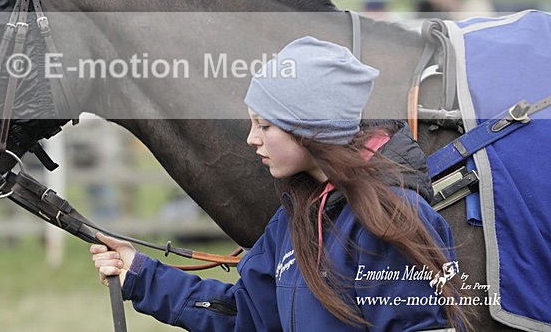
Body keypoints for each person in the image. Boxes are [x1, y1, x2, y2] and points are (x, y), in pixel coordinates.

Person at [90, 37, 473, 331]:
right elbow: (245, 316)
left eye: (265, 125)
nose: (251, 139)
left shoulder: (391, 220)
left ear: (311, 130)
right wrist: (140, 274)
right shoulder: (291, 221)